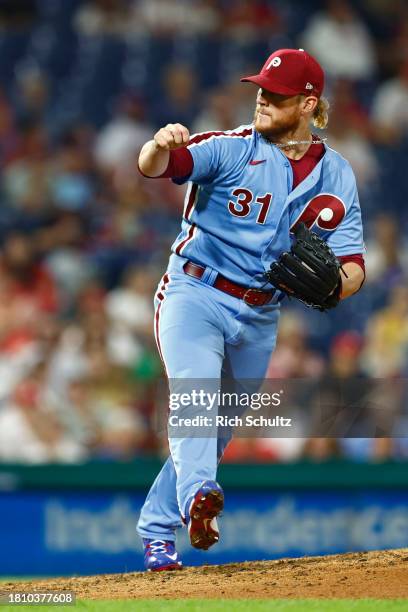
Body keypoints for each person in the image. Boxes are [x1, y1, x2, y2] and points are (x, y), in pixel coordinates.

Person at [137, 48, 365, 571]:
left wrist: (335, 289)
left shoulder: (338, 176)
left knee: (214, 432)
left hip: (260, 316)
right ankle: (200, 497)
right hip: (195, 293)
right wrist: (157, 144)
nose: (263, 96)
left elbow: (353, 264)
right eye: (261, 86)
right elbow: (158, 166)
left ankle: (156, 530)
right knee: (194, 395)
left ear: (309, 103)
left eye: (277, 93)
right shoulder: (232, 148)